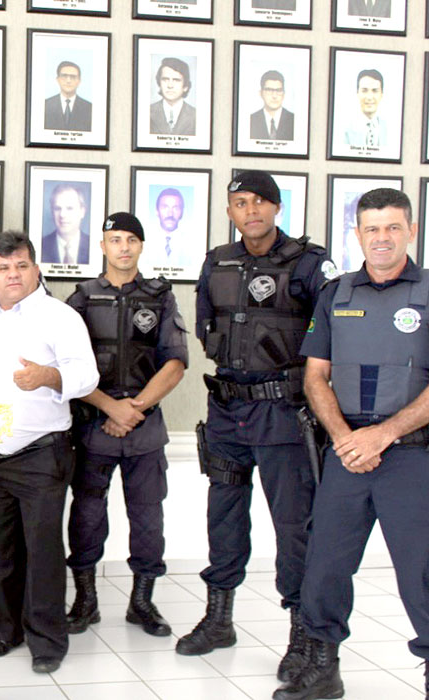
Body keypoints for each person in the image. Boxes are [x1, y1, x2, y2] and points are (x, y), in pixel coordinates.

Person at [274, 188, 429, 700]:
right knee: (325, 563)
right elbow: (316, 376)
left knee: (421, 570)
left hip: (412, 453)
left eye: (391, 227)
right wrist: (344, 439)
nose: (381, 237)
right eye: (371, 228)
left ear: (409, 230)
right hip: (346, 456)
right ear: (357, 234)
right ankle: (322, 667)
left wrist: (383, 434)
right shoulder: (336, 294)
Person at [179, 171, 333, 686]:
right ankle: (219, 619)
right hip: (227, 411)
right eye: (240, 203)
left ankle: (302, 634)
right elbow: (205, 323)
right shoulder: (216, 261)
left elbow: (328, 336)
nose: (251, 211)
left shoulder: (310, 264)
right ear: (230, 211)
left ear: (276, 207)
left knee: (294, 526)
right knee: (223, 516)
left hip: (283, 414)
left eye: (260, 202)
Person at [0, 232, 98, 675]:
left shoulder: (59, 316)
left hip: (41, 454)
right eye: (3, 268)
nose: (13, 275)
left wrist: (49, 375)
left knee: (42, 551)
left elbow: (87, 375)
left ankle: (47, 641)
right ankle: (4, 632)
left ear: (35, 270)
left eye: (21, 266)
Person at [64, 212, 188, 638]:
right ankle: (85, 600)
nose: (123, 247)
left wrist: (133, 409)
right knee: (86, 517)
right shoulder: (80, 298)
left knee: (148, 520)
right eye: (114, 239)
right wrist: (109, 409)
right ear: (101, 246)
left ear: (140, 246)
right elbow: (67, 368)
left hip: (145, 427)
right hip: (93, 425)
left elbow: (175, 364)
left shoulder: (161, 298)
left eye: (131, 239)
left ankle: (142, 602)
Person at [41, 184, 90, 265]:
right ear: (52, 211)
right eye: (57, 208)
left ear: (82, 212)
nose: (62, 215)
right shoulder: (41, 245)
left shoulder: (92, 246)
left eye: (69, 208)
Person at [148, 57, 196, 136]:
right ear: (159, 84)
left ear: (185, 86)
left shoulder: (196, 116)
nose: (170, 85)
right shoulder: (147, 112)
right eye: (165, 79)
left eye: (176, 80)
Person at [44, 61, 92, 131]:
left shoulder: (89, 108)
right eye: (64, 76)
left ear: (79, 81)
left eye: (73, 77)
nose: (68, 80)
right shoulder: (45, 105)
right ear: (58, 80)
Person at [344, 69, 386, 149]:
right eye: (364, 91)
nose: (369, 97)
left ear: (381, 95)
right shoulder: (346, 130)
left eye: (375, 91)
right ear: (357, 93)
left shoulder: (391, 130)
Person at [250, 70, 294, 141]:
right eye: (269, 90)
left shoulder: (293, 120)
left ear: (284, 94)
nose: (274, 96)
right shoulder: (251, 120)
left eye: (278, 90)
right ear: (261, 93)